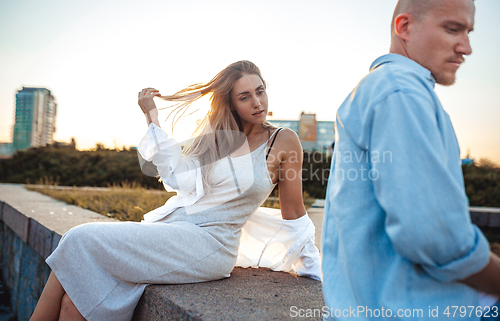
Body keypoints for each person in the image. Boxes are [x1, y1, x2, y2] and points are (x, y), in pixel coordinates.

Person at [30, 60, 321, 321]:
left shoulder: (284, 141)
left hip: (211, 244)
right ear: (232, 104)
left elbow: (294, 211)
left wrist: (314, 270)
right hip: (175, 229)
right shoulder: (219, 138)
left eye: (260, 91)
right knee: (74, 304)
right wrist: (152, 117)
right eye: (245, 97)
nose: (257, 102)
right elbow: (176, 177)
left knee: (78, 237)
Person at [321, 0, 500, 320]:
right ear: (404, 27)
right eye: (453, 29)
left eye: (468, 32)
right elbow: (434, 238)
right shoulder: (401, 91)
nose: (467, 47)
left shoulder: (381, 87)